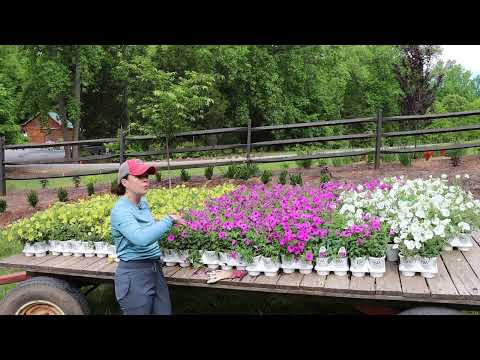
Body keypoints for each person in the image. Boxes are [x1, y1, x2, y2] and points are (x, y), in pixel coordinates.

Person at [111, 159, 185, 315]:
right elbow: (141, 239)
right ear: (125, 182)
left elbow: (147, 230)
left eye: (147, 175)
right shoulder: (120, 210)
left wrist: (168, 225)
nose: (145, 179)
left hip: (154, 269)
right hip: (134, 274)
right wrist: (168, 220)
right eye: (139, 176)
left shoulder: (142, 203)